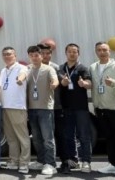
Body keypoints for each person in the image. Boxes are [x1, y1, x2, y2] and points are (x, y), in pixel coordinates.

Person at [90, 42, 115, 178]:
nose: (102, 52)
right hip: (100, 108)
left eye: (104, 50)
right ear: (96, 52)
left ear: (109, 51)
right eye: (99, 50)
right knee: (109, 137)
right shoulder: (93, 67)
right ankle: (112, 163)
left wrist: (114, 83)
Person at [57, 43, 93, 173]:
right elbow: (59, 83)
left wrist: (84, 84)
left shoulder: (82, 68)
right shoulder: (61, 69)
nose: (72, 54)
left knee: (83, 135)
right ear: (66, 53)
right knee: (68, 135)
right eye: (70, 52)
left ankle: (86, 161)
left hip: (81, 107)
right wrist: (63, 82)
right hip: (66, 107)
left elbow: (89, 83)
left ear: (78, 54)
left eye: (75, 52)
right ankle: (73, 160)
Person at [26, 44, 59, 175]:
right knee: (36, 138)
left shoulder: (49, 69)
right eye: (31, 55)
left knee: (48, 138)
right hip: (31, 109)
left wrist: (54, 84)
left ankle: (51, 164)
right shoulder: (27, 69)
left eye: (36, 55)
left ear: (41, 56)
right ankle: (41, 161)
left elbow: (55, 80)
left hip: (45, 108)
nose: (34, 58)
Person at [0, 46, 29, 174]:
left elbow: (23, 75)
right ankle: (14, 161)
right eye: (5, 54)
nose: (7, 56)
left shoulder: (21, 68)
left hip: (17, 107)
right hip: (5, 107)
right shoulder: (3, 70)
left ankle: (24, 163)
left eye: (9, 54)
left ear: (15, 56)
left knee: (22, 137)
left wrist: (20, 79)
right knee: (11, 137)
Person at [40, 38, 67, 170]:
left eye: (48, 53)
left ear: (51, 54)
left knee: (59, 135)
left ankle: (64, 162)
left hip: (56, 107)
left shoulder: (56, 67)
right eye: (43, 53)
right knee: (43, 136)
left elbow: (63, 82)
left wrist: (64, 82)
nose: (46, 56)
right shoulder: (34, 67)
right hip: (40, 107)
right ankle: (44, 161)